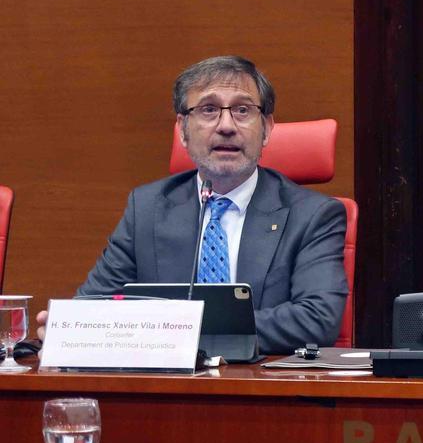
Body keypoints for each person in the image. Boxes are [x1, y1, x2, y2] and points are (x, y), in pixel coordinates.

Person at [38, 55, 347, 354]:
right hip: (167, 391)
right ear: (183, 130)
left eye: (242, 110)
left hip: (264, 390)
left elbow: (316, 319)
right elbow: (94, 306)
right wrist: (69, 327)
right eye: (209, 110)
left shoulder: (313, 215)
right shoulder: (147, 208)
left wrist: (180, 328)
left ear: (266, 128)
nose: (226, 125)